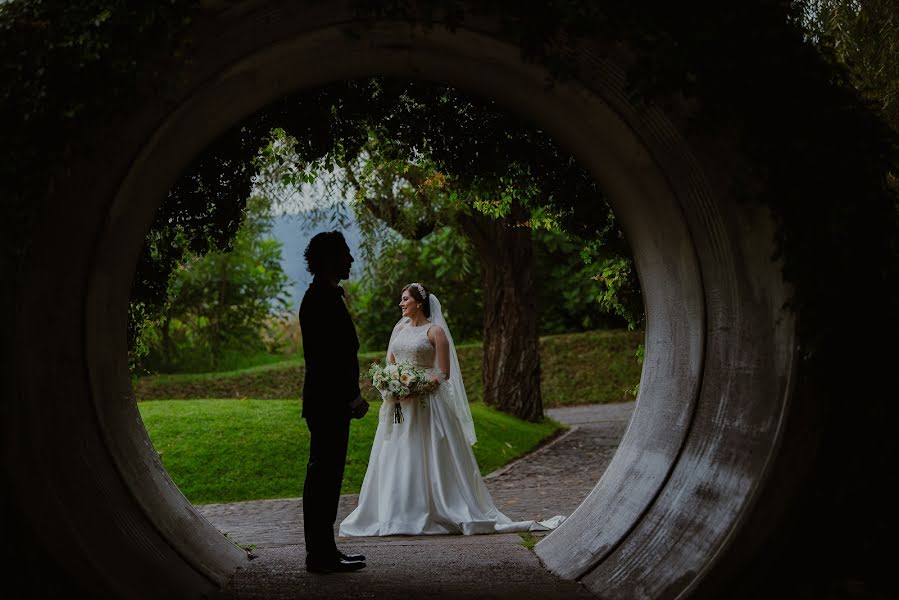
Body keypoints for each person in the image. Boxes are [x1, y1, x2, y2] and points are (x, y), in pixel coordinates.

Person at [339, 282, 565, 537]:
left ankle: (436, 509)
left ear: (419, 302)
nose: (401, 304)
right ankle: (395, 511)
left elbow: (443, 373)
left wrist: (416, 387)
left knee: (429, 453)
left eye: (405, 299)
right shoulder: (399, 330)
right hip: (400, 405)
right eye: (401, 300)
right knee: (396, 453)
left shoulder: (436, 333)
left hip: (427, 404)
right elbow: (390, 364)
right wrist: (388, 384)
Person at [299, 231, 370, 573]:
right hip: (328, 403)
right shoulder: (319, 299)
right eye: (345, 254)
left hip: (328, 402)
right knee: (323, 478)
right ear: (330, 259)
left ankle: (324, 550)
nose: (351, 260)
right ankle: (320, 554)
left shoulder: (324, 296)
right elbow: (330, 358)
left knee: (327, 478)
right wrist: (352, 397)